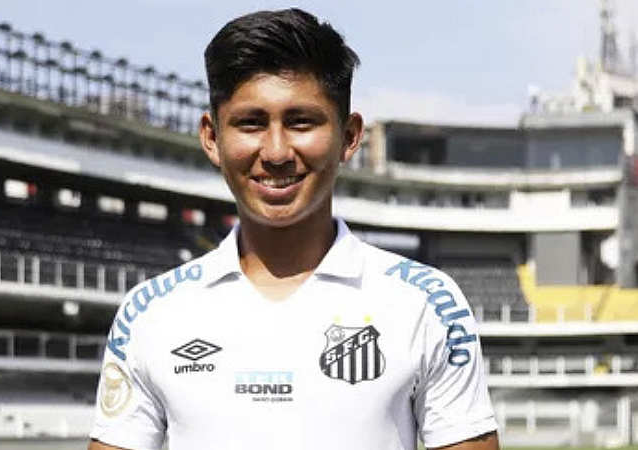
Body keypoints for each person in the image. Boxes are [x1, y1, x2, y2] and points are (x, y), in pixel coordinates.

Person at [89, 8, 499, 450]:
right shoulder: (151, 313)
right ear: (211, 137)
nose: (277, 152)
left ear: (349, 136)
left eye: (301, 121)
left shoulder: (426, 303)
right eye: (250, 123)